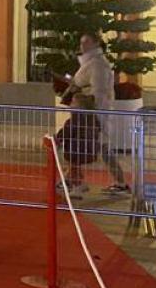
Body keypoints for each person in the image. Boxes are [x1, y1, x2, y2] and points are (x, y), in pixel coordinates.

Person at [55, 33, 128, 198]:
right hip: (87, 111)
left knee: (87, 149)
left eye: (86, 42)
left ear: (96, 43)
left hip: (91, 112)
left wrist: (88, 107)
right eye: (81, 42)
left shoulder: (97, 65)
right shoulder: (91, 63)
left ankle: (77, 181)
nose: (82, 45)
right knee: (88, 148)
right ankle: (71, 180)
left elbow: (98, 92)